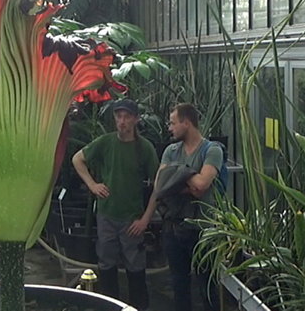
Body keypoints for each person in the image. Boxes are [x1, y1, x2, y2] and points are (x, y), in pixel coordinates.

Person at [72, 99, 159, 311]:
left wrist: (145, 219)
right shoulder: (105, 142)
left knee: (135, 267)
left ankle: (138, 308)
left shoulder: (144, 148)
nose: (122, 121)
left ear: (136, 119)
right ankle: (109, 306)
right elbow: (77, 159)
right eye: (119, 116)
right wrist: (92, 184)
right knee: (106, 264)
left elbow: (159, 186)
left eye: (127, 117)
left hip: (132, 218)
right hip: (107, 214)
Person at [157, 102, 222, 311]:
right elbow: (160, 186)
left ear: (186, 123)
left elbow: (201, 186)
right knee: (179, 285)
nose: (170, 128)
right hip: (173, 227)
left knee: (207, 286)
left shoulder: (212, 150)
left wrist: (177, 173)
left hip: (202, 230)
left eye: (173, 123)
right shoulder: (171, 150)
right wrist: (189, 177)